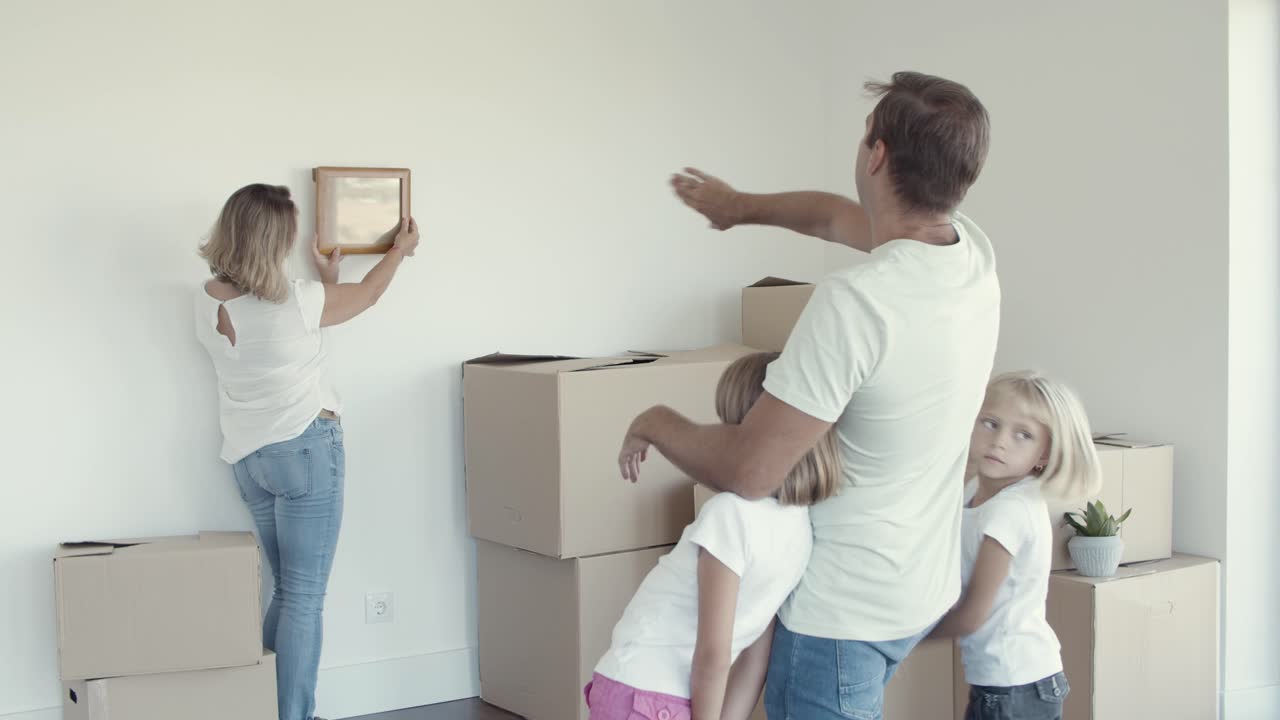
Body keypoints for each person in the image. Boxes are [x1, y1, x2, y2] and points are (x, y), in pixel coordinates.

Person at [617, 71, 998, 719]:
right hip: (912, 592)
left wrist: (655, 420)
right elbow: (829, 214)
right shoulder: (971, 256)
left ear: (875, 154)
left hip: (839, 615)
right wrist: (738, 208)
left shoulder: (858, 302)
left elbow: (752, 469)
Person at [193, 183, 418, 720]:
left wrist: (326, 280)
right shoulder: (295, 300)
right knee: (304, 598)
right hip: (305, 453)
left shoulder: (206, 297)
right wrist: (398, 253)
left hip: (251, 460)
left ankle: (262, 707)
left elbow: (306, 334)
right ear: (275, 239)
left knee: (287, 594)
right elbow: (367, 297)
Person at [591, 352, 840, 720]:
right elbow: (756, 656)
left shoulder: (729, 514)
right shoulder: (799, 530)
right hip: (675, 701)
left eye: (728, 428)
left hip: (639, 688)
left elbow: (713, 654)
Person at [929, 371, 1102, 720]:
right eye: (990, 423)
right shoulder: (975, 489)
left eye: (1023, 435)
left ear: (1043, 456)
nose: (1000, 442)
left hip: (1013, 685)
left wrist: (898, 638)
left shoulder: (1009, 511)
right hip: (1009, 681)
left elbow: (973, 614)